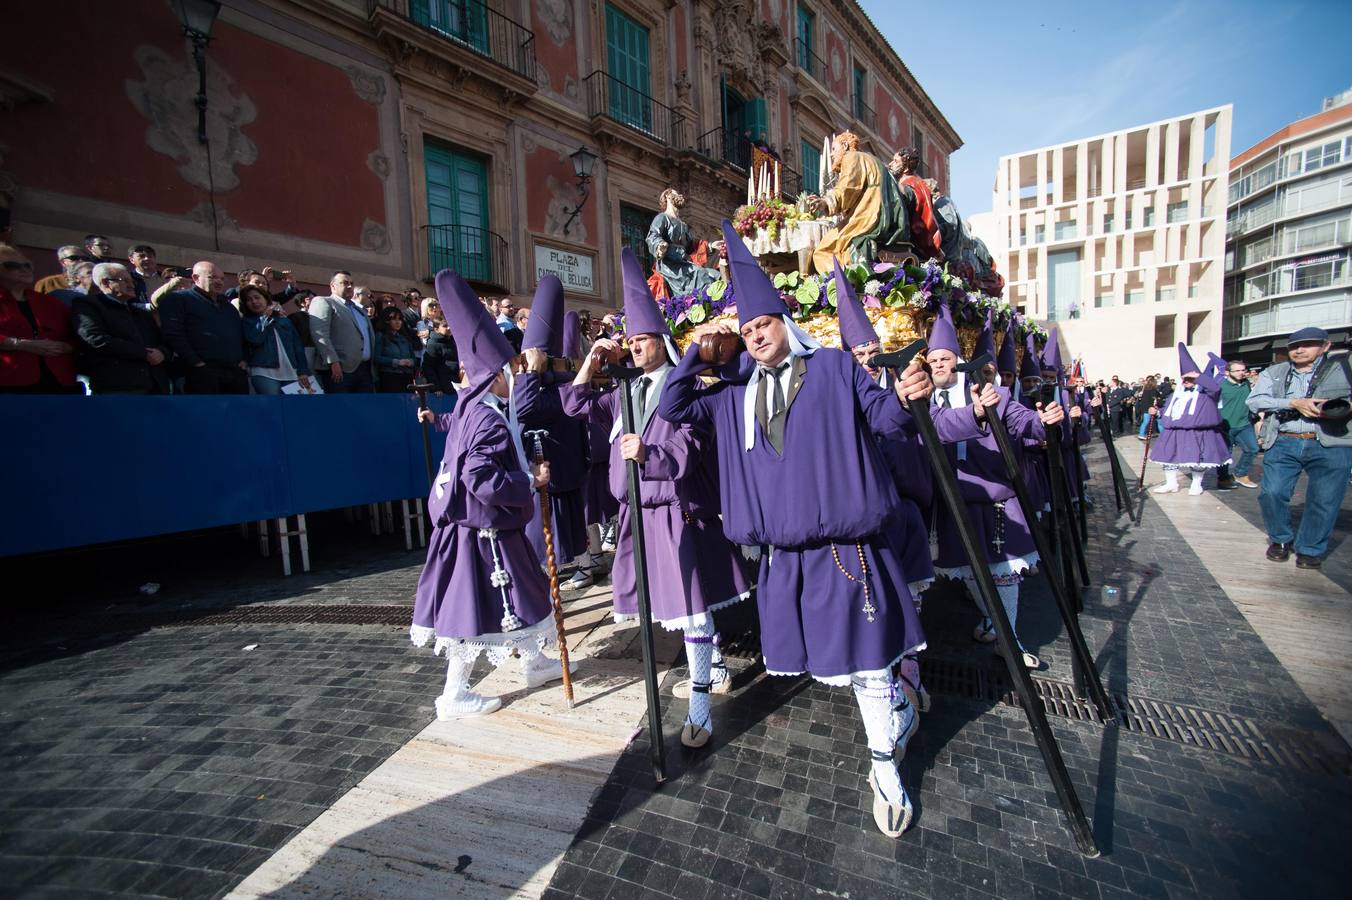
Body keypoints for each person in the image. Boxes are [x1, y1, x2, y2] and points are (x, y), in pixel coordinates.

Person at [660, 220, 981, 838]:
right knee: (827, 668)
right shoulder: (732, 396)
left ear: (787, 321)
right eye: (747, 330)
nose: (756, 337)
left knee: (867, 666)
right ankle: (899, 715)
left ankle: (886, 767)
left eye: (764, 325)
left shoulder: (833, 369)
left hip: (847, 552)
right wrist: (700, 354)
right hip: (785, 561)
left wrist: (910, 395)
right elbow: (671, 409)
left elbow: (884, 417)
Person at [565, 249, 751, 743]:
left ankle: (700, 707)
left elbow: (686, 451)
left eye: (643, 339)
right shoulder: (624, 390)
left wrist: (648, 453)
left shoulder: (680, 387)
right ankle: (713, 670)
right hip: (634, 516)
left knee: (690, 606)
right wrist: (592, 359)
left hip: (674, 513)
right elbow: (573, 403)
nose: (636, 346)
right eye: (630, 340)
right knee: (674, 607)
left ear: (662, 342)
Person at [410, 270, 575, 718]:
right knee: (471, 613)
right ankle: (454, 694)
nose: (516, 376)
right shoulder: (486, 417)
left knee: (524, 595)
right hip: (481, 532)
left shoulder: (472, 408)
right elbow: (479, 478)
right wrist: (530, 482)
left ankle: (536, 662)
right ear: (496, 374)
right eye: (511, 370)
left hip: (490, 526)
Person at [926, 305, 1062, 670]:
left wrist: (1043, 422)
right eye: (932, 359)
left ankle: (1010, 641)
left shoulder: (989, 395)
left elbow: (1021, 421)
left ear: (959, 360)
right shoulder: (927, 404)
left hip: (995, 505)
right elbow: (936, 430)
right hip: (951, 506)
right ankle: (993, 620)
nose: (938, 365)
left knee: (1002, 574)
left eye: (945, 358)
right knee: (970, 573)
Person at [832, 259, 934, 711]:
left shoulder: (900, 386)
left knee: (909, 602)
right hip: (865, 524)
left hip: (904, 511)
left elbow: (924, 427)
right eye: (857, 353)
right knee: (876, 609)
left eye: (871, 349)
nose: (867, 358)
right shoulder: (834, 400)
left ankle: (912, 677)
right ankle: (884, 687)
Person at [515, 278, 598, 589]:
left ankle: (550, 592)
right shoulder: (560, 383)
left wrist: (530, 375)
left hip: (555, 476)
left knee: (547, 548)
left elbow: (524, 409)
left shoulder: (554, 388)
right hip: (562, 470)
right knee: (560, 546)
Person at [1248, 327, 1352, 569]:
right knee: (1271, 492)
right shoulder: (1275, 372)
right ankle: (1280, 539)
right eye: (1294, 346)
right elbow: (1254, 401)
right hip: (1285, 439)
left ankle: (1310, 549)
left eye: (1308, 344)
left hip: (1331, 441)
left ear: (1325, 346)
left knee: (1324, 499)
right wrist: (1292, 402)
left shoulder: (1344, 367)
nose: (1300, 350)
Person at [71, 263, 169, 394]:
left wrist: (162, 352)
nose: (132, 285)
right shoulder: (88, 305)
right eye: (125, 281)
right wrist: (143, 353)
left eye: (132, 281)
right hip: (118, 386)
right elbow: (95, 338)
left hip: (154, 386)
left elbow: (162, 339)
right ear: (106, 283)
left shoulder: (140, 313)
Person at [1149, 344, 1229, 495]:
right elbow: (1169, 411)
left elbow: (1216, 388)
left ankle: (1196, 484)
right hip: (1173, 432)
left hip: (1197, 432)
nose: (1186, 381)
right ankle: (1171, 483)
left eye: (1189, 378)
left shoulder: (1206, 394)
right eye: (1184, 379)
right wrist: (1157, 412)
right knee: (1167, 457)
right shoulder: (1175, 395)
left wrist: (1199, 376)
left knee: (1198, 458)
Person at [158, 261, 248, 394]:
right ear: (195, 278)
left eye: (222, 279)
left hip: (234, 373)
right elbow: (173, 334)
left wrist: (243, 360)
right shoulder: (178, 299)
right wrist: (196, 362)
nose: (219, 282)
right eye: (213, 277)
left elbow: (240, 333)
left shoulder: (228, 306)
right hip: (200, 373)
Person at [0, 244, 78, 393]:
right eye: (12, 265)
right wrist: (20, 344)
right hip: (10, 381)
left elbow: (77, 335)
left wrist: (67, 347)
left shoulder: (50, 302)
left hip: (58, 381)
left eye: (27, 265)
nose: (24, 269)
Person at [646, 188, 720, 297]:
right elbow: (653, 235)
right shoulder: (662, 218)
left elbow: (691, 245)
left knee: (715, 275)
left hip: (684, 263)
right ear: (668, 196)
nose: (678, 195)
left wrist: (710, 246)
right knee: (701, 275)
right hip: (671, 266)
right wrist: (659, 245)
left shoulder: (683, 225)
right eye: (674, 193)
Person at [240, 285, 312, 395]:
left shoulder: (284, 321)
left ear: (266, 299)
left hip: (290, 372)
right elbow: (256, 340)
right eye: (249, 300)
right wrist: (264, 318)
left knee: (293, 408)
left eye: (257, 297)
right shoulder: (247, 322)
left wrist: (303, 371)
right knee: (273, 408)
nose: (254, 302)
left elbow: (297, 347)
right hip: (263, 372)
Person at [309, 271, 373, 393]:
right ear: (333, 286)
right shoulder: (324, 302)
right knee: (343, 408)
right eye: (345, 283)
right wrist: (332, 361)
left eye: (351, 283)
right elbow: (320, 334)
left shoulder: (358, 309)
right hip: (340, 369)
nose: (350, 286)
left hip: (364, 369)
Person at [1217, 360, 1258, 489]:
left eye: (1243, 370)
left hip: (1244, 424)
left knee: (1253, 449)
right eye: (1237, 370)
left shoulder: (1246, 383)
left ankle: (1240, 474)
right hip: (1225, 426)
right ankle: (1223, 479)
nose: (1241, 373)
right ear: (1227, 372)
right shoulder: (1220, 387)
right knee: (1225, 454)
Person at [373, 304, 419, 393]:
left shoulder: (404, 337)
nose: (398, 322)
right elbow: (376, 357)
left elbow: (414, 358)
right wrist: (396, 362)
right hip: (389, 377)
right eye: (394, 319)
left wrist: (411, 362)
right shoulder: (381, 336)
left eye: (400, 319)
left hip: (407, 377)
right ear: (387, 321)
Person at [421, 318, 460, 395]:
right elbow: (428, 367)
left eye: (450, 325)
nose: (449, 328)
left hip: (456, 384)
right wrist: (436, 387)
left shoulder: (452, 341)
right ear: (436, 329)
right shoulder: (433, 344)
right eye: (445, 326)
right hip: (442, 388)